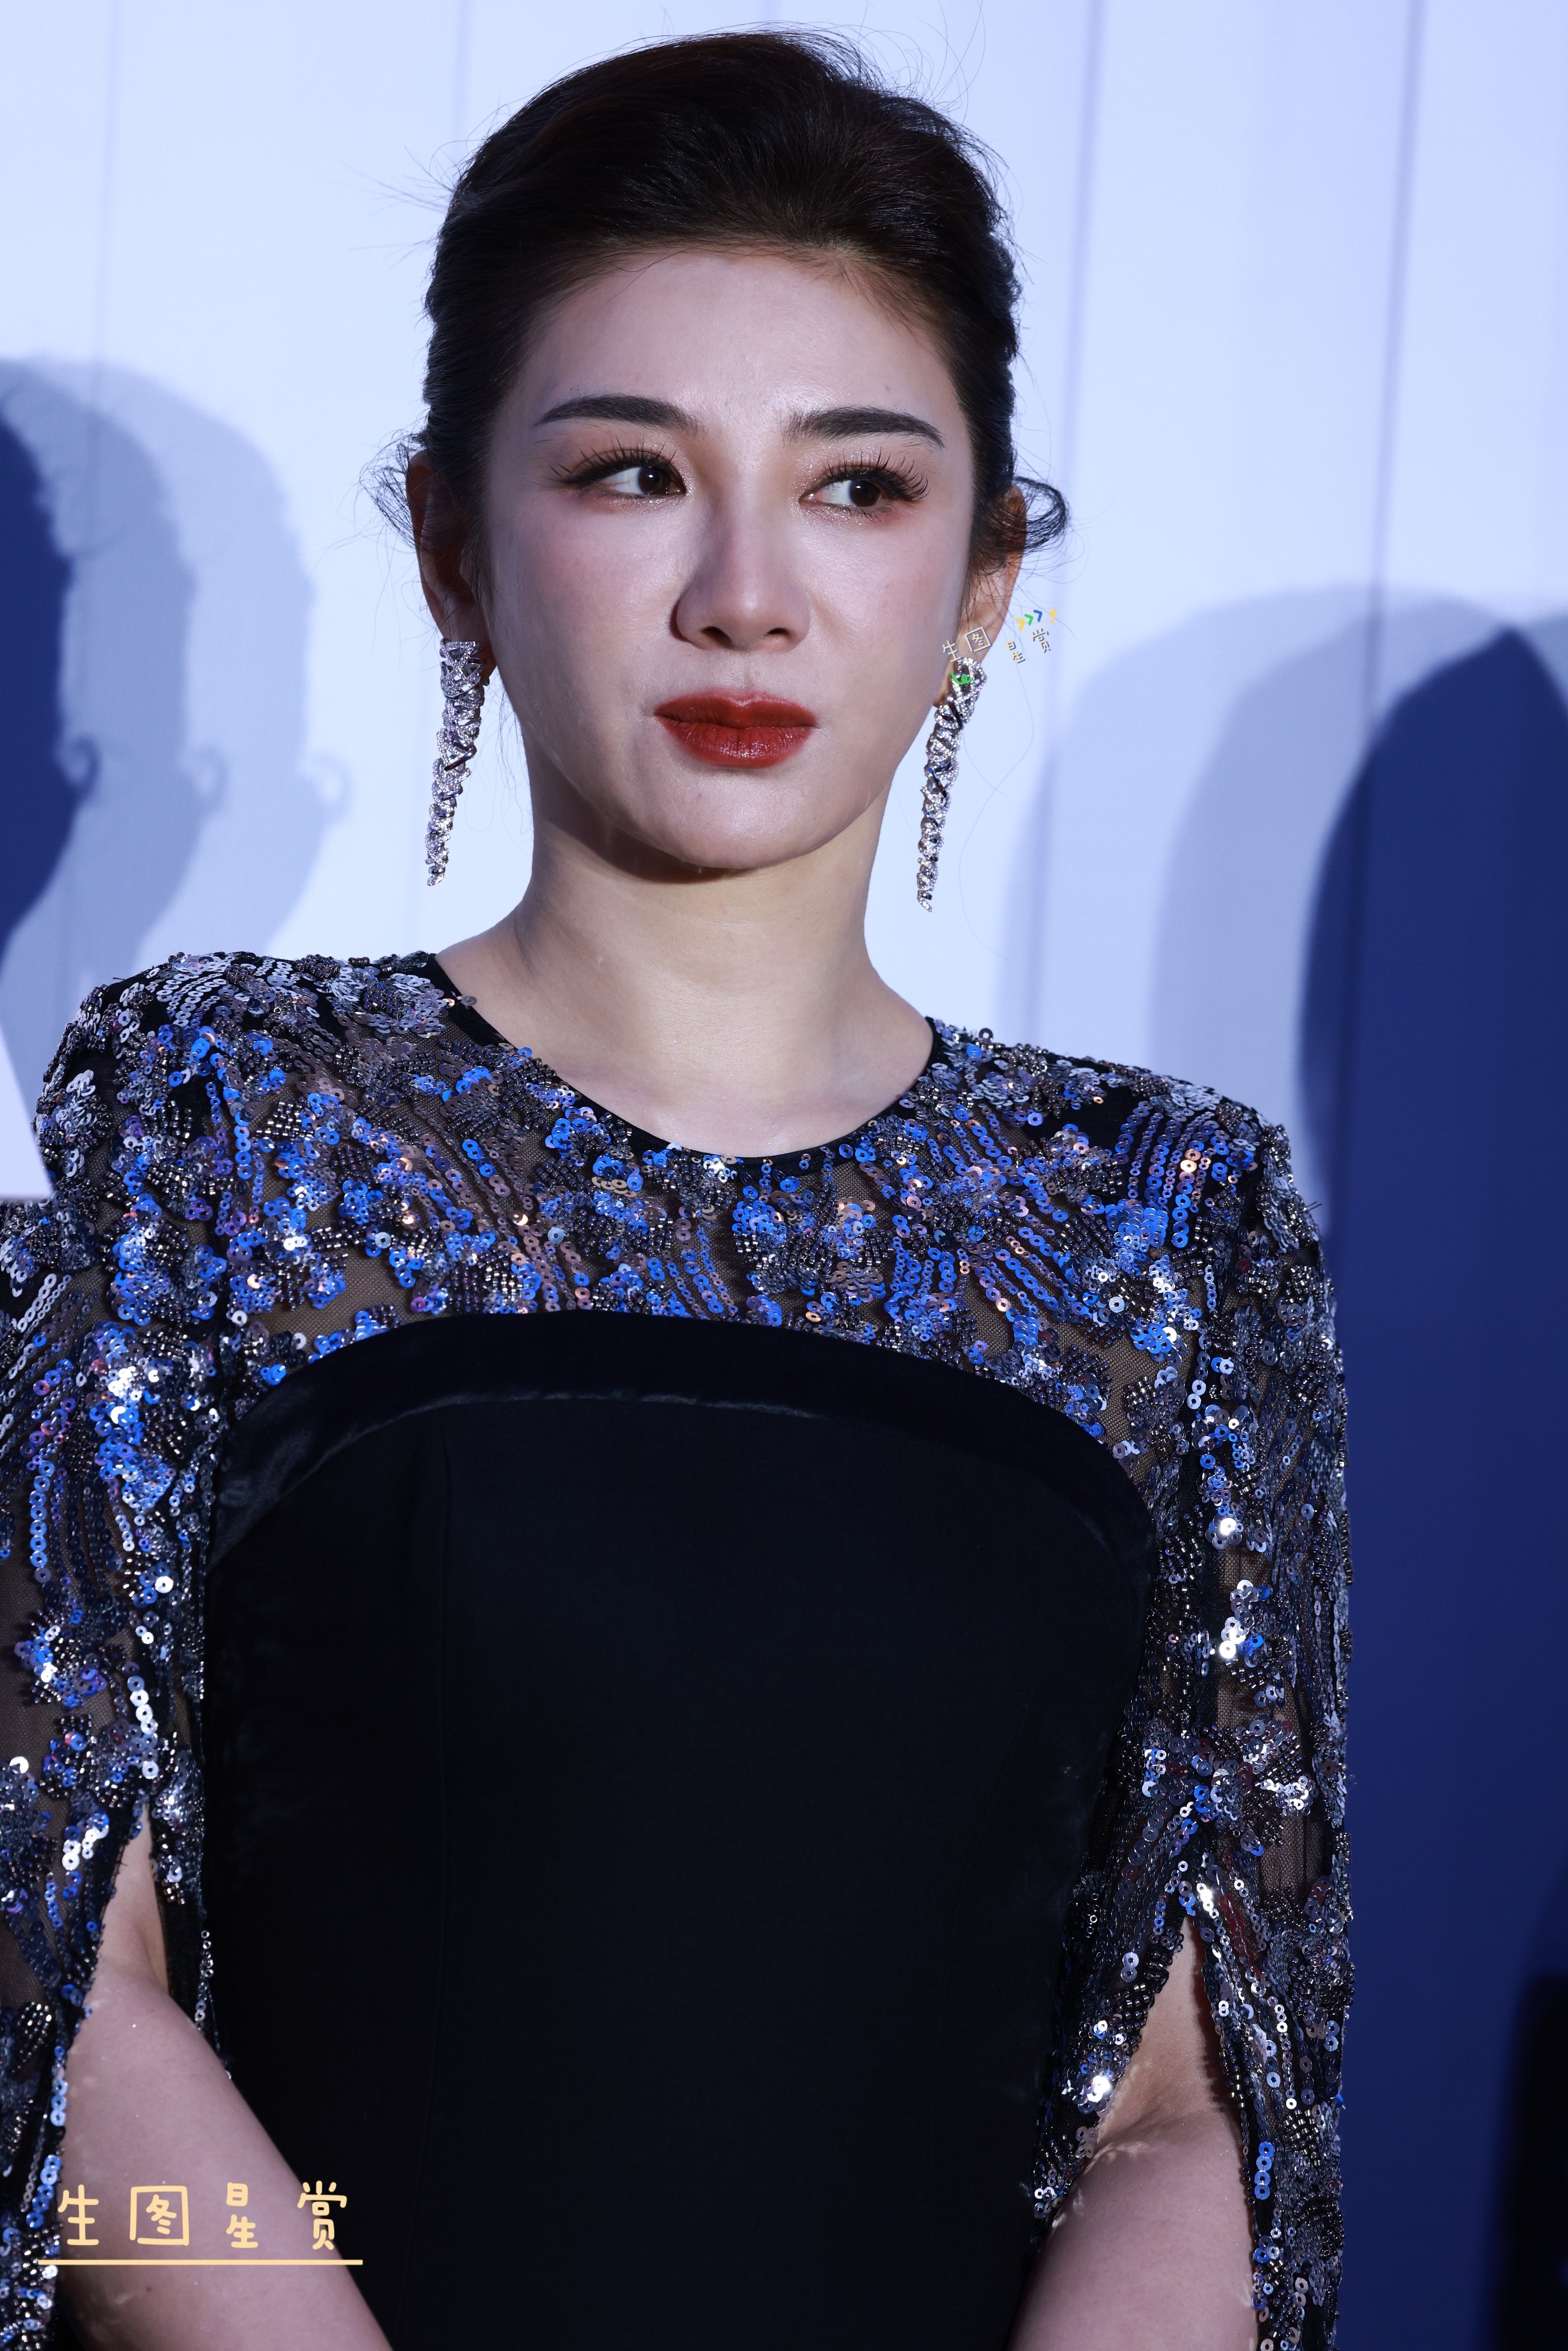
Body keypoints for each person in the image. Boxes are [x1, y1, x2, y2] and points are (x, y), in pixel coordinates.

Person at [0, 32, 1350, 2351]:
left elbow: (1197, 2108)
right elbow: (56, 1975)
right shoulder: (223, 1124)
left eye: (855, 488)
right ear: (453, 544)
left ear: (984, 576)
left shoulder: (1164, 1223)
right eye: (633, 472)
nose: (744, 594)